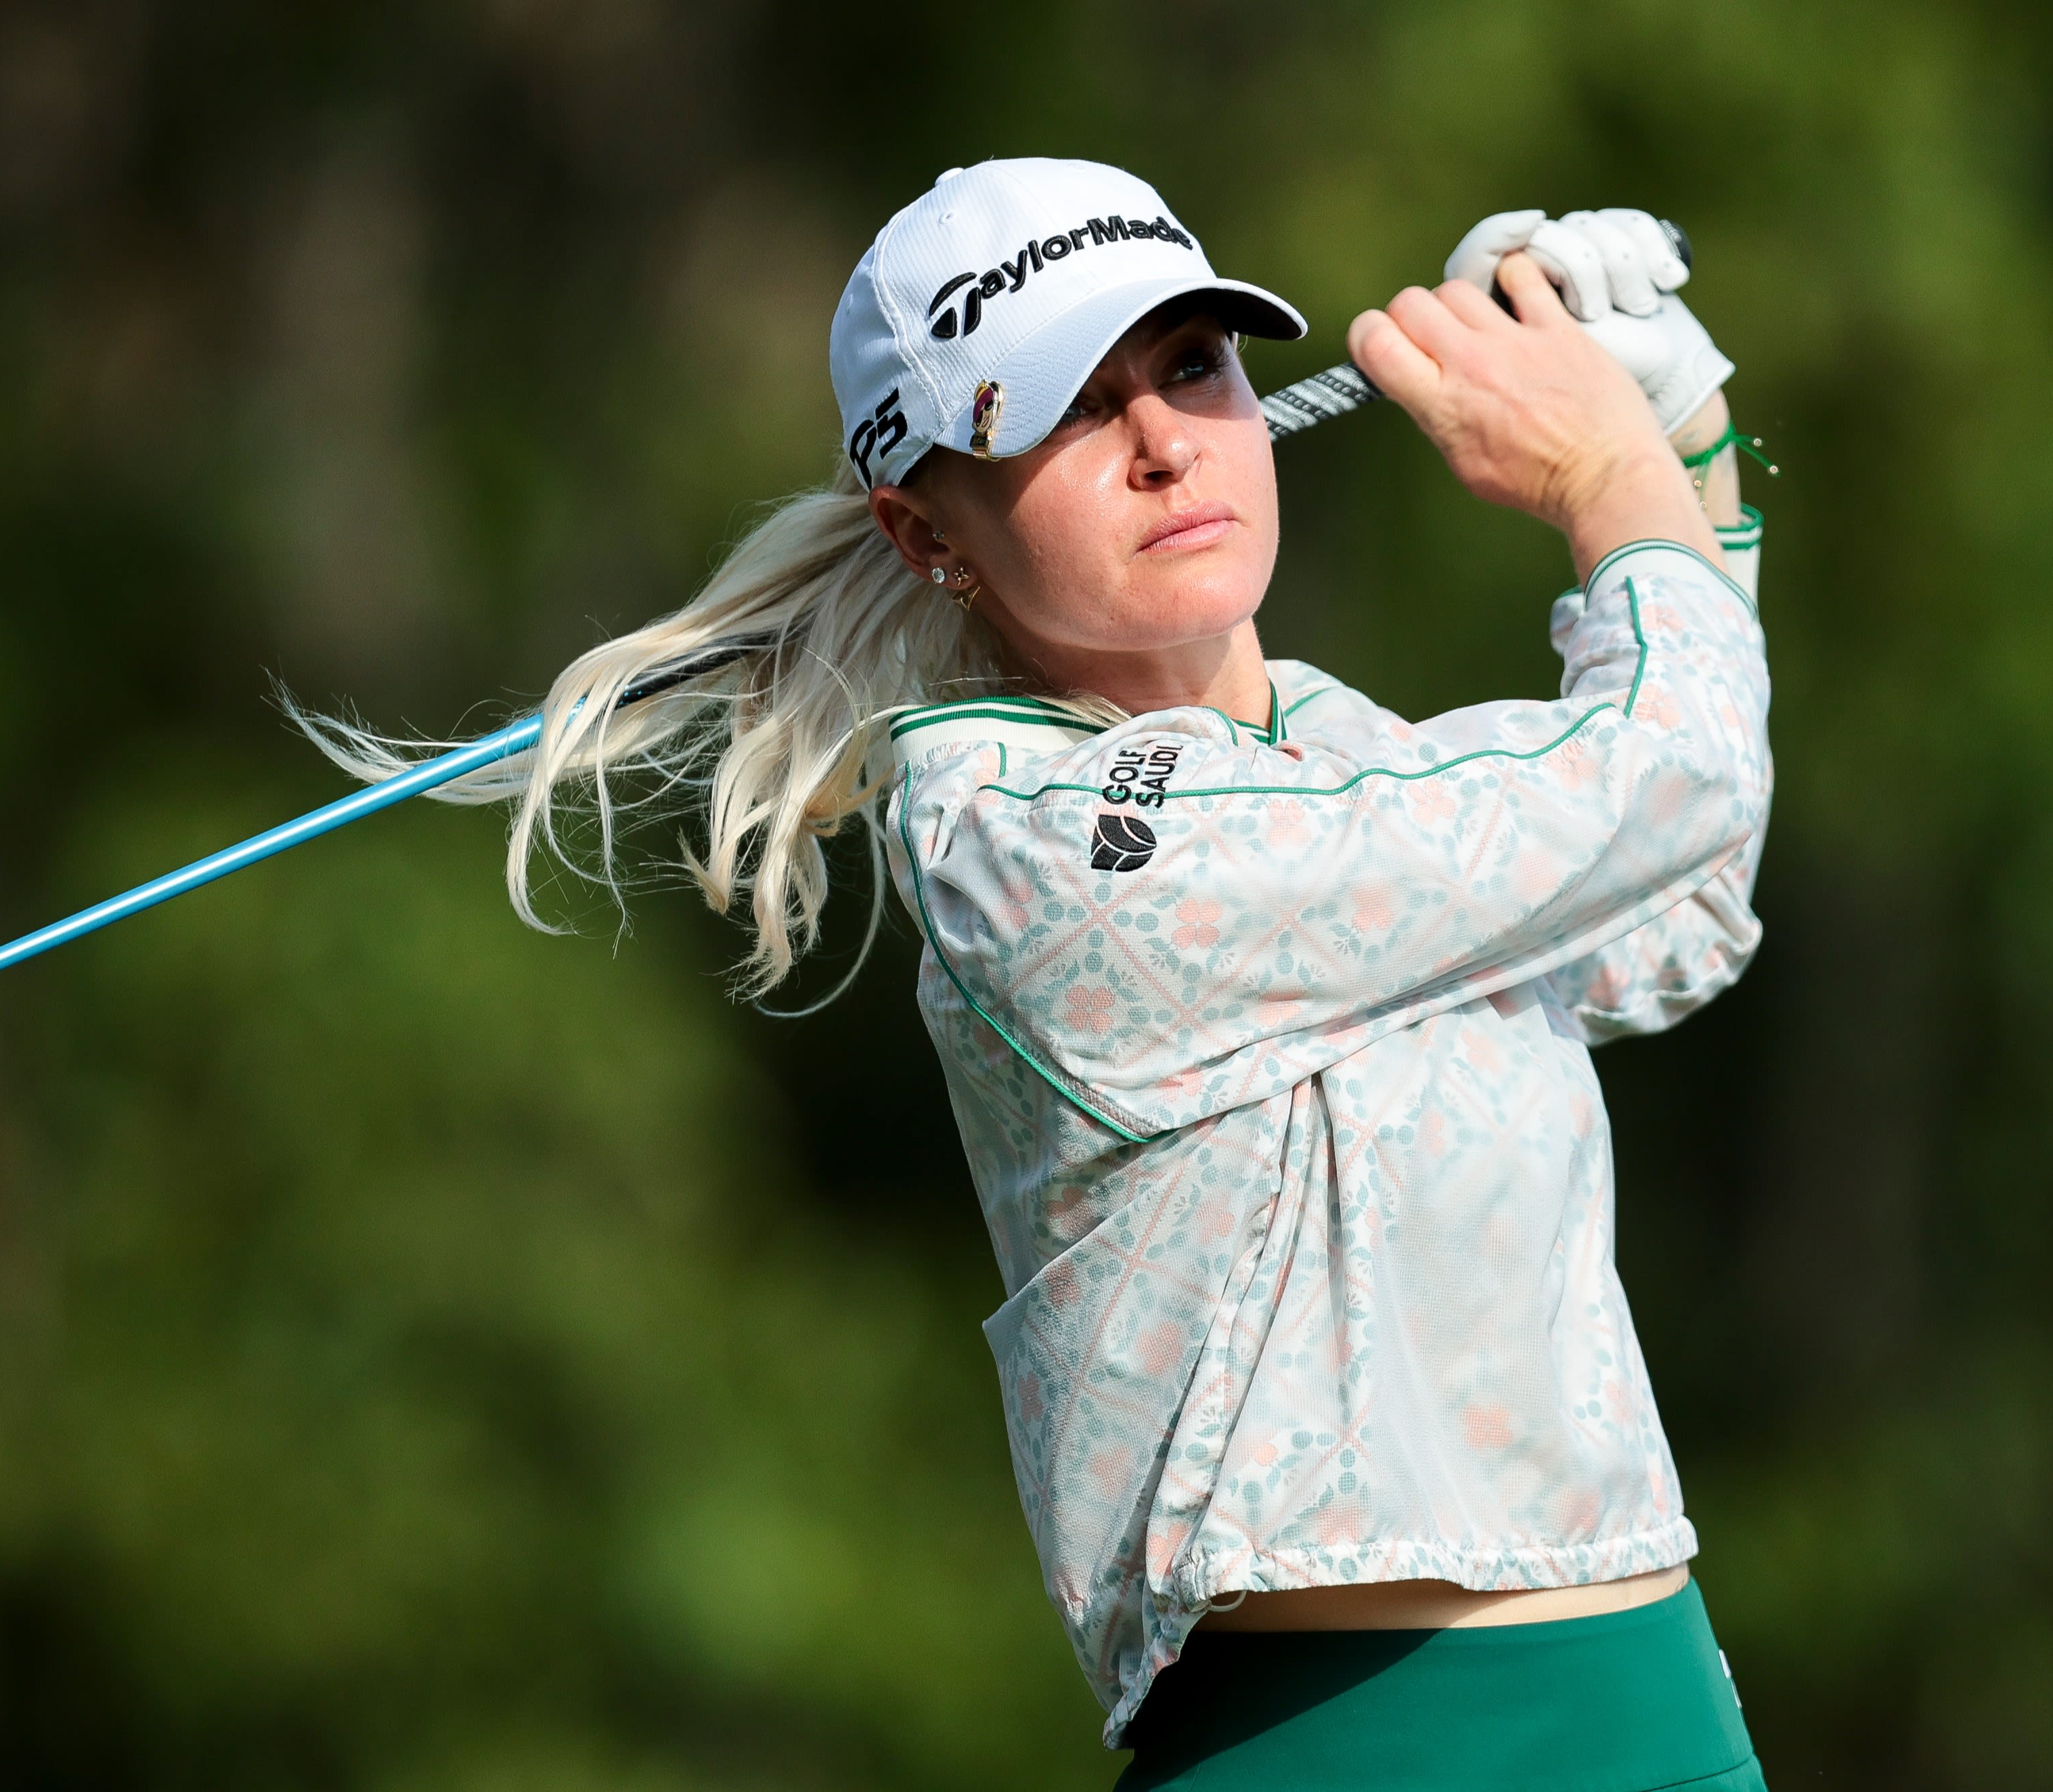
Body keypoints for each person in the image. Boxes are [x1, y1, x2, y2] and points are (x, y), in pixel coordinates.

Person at [308, 158, 1771, 1789]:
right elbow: (1672, 778)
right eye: (1068, 412)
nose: (1162, 443)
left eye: (1192, 366)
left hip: (1654, 1709)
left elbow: (1672, 908)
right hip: (1344, 1751)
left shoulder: (1346, 751)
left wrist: (1685, 438)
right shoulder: (1029, 841)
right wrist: (1613, 476)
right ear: (924, 532)